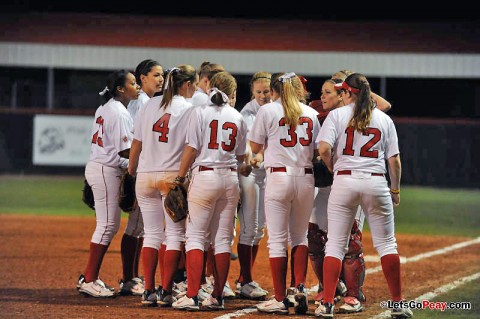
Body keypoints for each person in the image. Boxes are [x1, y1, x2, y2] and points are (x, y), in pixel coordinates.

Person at [314, 73, 412, 319]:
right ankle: (397, 304)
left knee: (335, 245)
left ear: (347, 93)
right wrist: (396, 189)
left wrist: (333, 165)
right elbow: (395, 161)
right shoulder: (383, 118)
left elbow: (324, 148)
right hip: (376, 181)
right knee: (387, 244)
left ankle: (326, 304)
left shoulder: (337, 115)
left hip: (345, 179)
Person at [171, 71, 247, 311]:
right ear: (232, 94)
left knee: (195, 237)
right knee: (223, 240)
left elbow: (191, 149)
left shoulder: (199, 112)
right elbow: (243, 158)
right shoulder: (237, 116)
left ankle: (192, 295)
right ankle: (217, 296)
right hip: (230, 178)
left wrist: (180, 177)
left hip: (204, 176)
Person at [249, 72, 320, 315]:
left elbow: (255, 147)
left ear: (274, 90)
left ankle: (280, 299)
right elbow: (318, 150)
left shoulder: (268, 110)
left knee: (278, 241)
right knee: (300, 238)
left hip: (278, 177)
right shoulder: (310, 113)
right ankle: (298, 287)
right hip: (306, 177)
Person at [128, 65, 198, 306]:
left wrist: (130, 171)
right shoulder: (189, 109)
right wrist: (182, 176)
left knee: (150, 235)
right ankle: (166, 290)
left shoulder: (149, 105)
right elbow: (191, 147)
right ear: (186, 84)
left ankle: (148, 290)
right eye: (194, 83)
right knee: (174, 235)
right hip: (171, 177)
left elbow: (136, 143)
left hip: (145, 175)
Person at [77, 69, 140, 298]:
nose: (137, 86)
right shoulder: (119, 112)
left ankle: (90, 276)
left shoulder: (105, 108)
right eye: (132, 83)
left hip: (101, 167)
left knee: (108, 225)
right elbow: (125, 151)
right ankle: (89, 279)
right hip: (106, 169)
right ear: (120, 89)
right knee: (107, 226)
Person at [119, 59, 164, 296]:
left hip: (145, 168)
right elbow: (132, 141)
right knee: (135, 227)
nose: (160, 79)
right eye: (155, 75)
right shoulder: (140, 103)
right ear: (142, 77)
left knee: (142, 228)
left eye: (162, 75)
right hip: (139, 169)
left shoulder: (150, 102)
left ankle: (133, 276)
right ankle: (129, 278)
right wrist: (131, 171)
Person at [235, 71, 271, 300]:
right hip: (249, 173)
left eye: (266, 91)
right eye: (258, 91)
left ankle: (244, 278)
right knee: (249, 227)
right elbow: (252, 147)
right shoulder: (247, 113)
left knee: (258, 230)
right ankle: (245, 279)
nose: (262, 95)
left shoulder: (274, 109)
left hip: (265, 174)